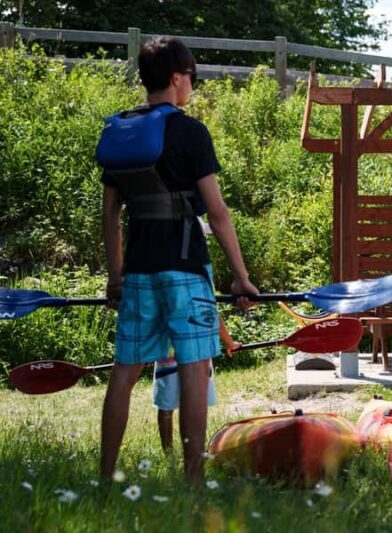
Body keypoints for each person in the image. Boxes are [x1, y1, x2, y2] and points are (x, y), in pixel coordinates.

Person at [97, 36, 258, 482]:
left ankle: (105, 476)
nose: (193, 85)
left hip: (139, 273)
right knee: (193, 370)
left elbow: (109, 217)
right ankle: (192, 481)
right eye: (192, 77)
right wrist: (241, 277)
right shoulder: (191, 132)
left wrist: (116, 276)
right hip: (187, 270)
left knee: (124, 372)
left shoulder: (120, 133)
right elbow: (219, 214)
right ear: (175, 78)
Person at [154, 317, 239, 453]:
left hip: (168, 346)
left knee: (166, 404)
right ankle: (195, 451)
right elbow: (214, 315)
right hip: (196, 348)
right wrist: (229, 343)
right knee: (195, 403)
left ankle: (169, 453)